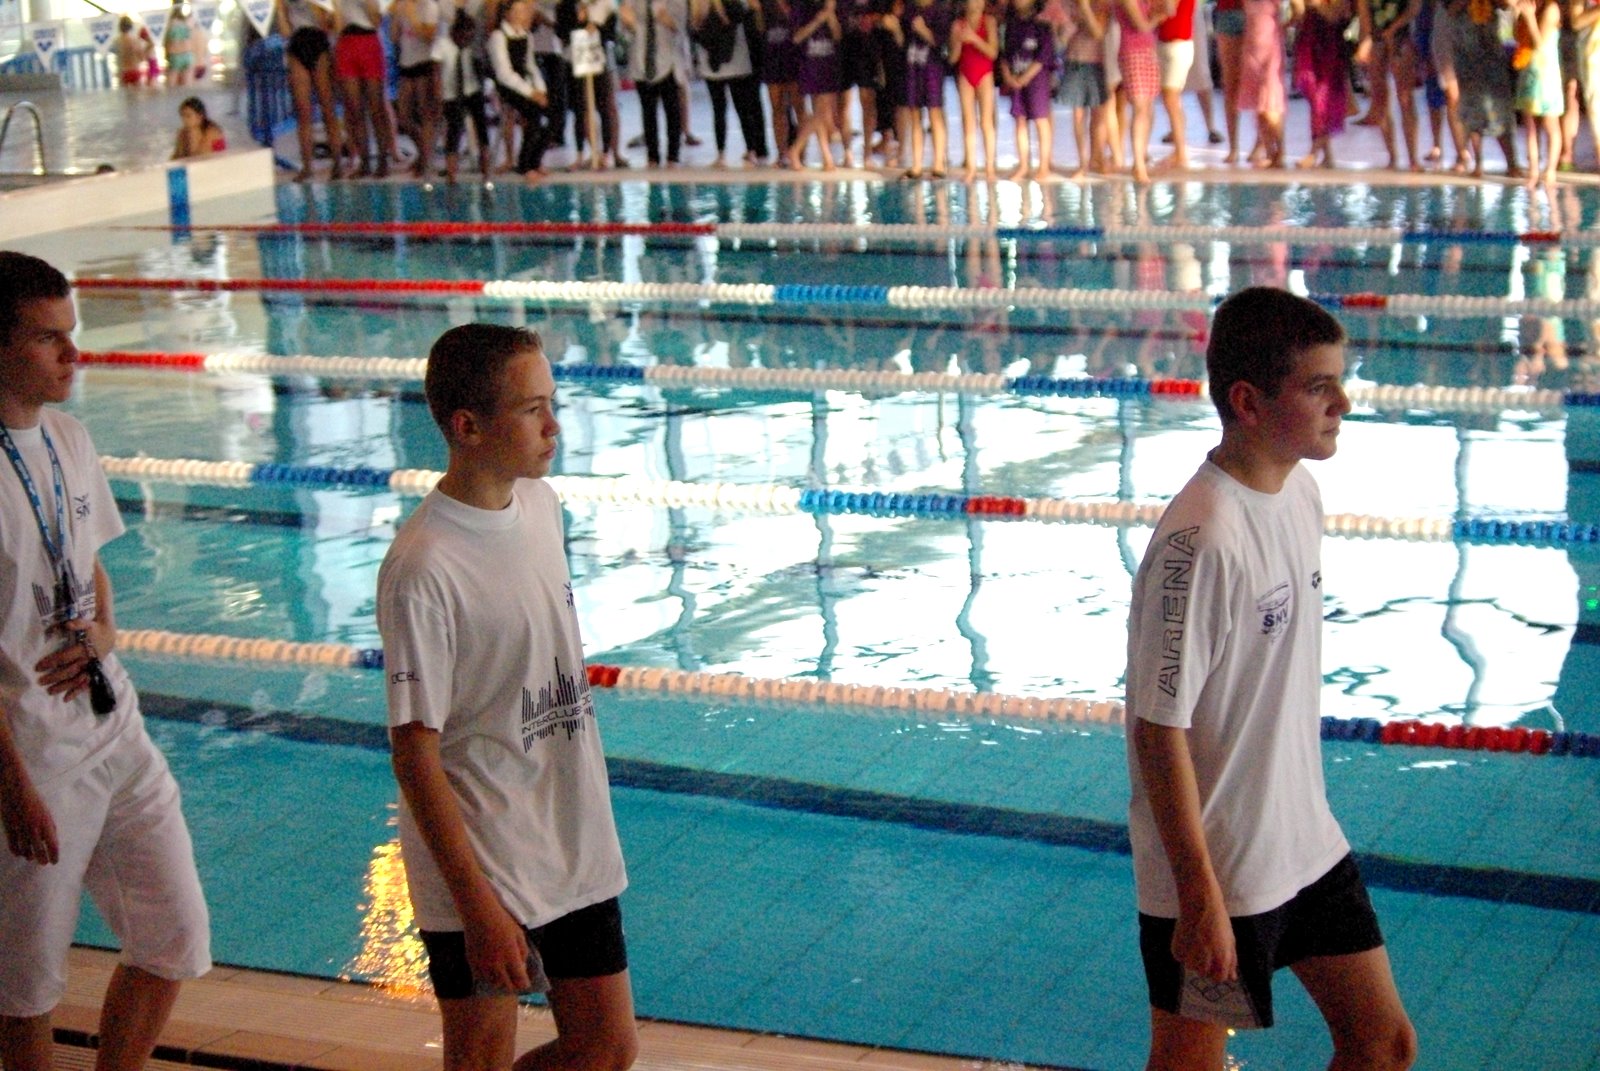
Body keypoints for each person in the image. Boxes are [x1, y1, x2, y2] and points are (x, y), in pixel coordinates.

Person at [1124, 286, 1418, 1071]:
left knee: (1384, 1044)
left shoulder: (1300, 493)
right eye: (1319, 387)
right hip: (1221, 870)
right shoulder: (1201, 540)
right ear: (1249, 402)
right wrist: (1199, 896)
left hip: (1304, 841)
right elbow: (1157, 728)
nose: (1342, 403)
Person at [377, 323, 636, 1071]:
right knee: (482, 1057)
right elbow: (414, 754)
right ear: (467, 428)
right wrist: (477, 907)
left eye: (551, 403)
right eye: (531, 409)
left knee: (605, 1047)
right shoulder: (424, 567)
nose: (554, 425)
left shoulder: (541, 505)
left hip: (568, 834)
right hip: (482, 859)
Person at [0, 251, 211, 1071]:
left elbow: (88, 566)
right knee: (24, 988)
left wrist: (106, 633)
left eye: (72, 333)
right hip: (32, 754)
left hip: (114, 725)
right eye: (48, 338)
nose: (72, 353)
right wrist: (13, 786)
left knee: (176, 934)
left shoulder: (69, 437)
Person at [692, 0, 770, 164]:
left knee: (742, 107)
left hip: (736, 58)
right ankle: (721, 153)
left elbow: (739, 16)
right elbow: (695, 27)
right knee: (719, 108)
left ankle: (752, 149)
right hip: (712, 58)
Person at [276, 0, 346, 181]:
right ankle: (307, 166)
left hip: (318, 42)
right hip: (297, 43)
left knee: (327, 107)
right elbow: (285, 31)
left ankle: (337, 162)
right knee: (303, 110)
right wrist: (280, 9)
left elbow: (326, 24)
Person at [491, 0, 557, 177]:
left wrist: (540, 89)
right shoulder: (498, 36)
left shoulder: (526, 35)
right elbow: (504, 74)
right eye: (518, 12)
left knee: (554, 114)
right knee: (534, 113)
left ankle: (536, 160)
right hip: (508, 86)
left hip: (526, 83)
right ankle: (525, 164)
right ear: (508, 14)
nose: (523, 16)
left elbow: (531, 66)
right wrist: (530, 93)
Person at [336, 0, 401, 177]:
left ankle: (383, 159)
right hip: (346, 41)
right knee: (354, 109)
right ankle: (364, 160)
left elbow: (376, 20)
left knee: (376, 107)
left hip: (368, 39)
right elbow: (337, 22)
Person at [621, 0, 690, 165]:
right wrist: (629, 24)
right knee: (648, 110)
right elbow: (625, 31)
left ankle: (673, 155)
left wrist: (669, 22)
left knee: (672, 109)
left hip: (668, 59)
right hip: (641, 59)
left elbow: (683, 27)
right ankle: (652, 156)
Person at [1001, 0, 1059, 179]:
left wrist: (1026, 77)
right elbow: (1004, 55)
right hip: (1016, 77)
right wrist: (1008, 76)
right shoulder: (1010, 26)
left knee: (1041, 120)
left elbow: (1044, 57)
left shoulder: (1042, 26)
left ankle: (1043, 166)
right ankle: (1024, 165)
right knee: (1020, 121)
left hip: (1037, 79)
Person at [390, 0, 443, 177]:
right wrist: (396, 16)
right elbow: (394, 37)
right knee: (403, 117)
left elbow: (429, 37)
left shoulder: (430, 6)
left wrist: (412, 16)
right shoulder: (402, 6)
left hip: (424, 63)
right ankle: (424, 153)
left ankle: (426, 160)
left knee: (426, 116)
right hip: (406, 63)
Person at [1517, 0, 1565, 184]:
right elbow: (1517, 35)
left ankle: (1550, 170)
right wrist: (1519, 15)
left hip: (1546, 74)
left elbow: (1540, 43)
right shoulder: (1531, 5)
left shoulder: (1551, 8)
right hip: (1529, 71)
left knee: (1550, 123)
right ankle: (1533, 170)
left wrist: (1530, 17)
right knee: (1530, 125)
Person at [950, 0, 999, 179]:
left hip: (984, 73)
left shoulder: (989, 22)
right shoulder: (958, 24)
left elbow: (993, 53)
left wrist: (974, 38)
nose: (976, 3)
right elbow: (953, 58)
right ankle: (971, 167)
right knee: (969, 122)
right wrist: (958, 41)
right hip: (966, 73)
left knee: (986, 122)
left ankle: (989, 167)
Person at [113, 15, 152, 87]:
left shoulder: (117, 41)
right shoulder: (135, 40)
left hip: (123, 71)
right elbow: (142, 57)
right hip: (135, 70)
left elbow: (117, 58)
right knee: (137, 92)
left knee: (124, 93)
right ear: (131, 26)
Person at [163, 3, 195, 85]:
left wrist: (166, 55)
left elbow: (166, 42)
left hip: (175, 54)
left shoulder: (169, 23)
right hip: (187, 54)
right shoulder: (187, 22)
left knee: (171, 86)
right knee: (187, 86)